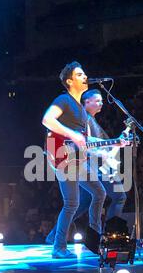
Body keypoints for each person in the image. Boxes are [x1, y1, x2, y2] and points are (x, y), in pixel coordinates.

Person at [46, 89, 127, 244]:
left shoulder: (91, 121)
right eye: (98, 100)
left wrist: (115, 144)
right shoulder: (83, 119)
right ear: (86, 101)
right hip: (84, 164)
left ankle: (91, 238)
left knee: (83, 201)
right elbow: (88, 145)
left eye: (102, 101)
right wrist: (106, 151)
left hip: (86, 164)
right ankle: (107, 237)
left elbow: (97, 144)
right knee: (115, 196)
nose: (101, 103)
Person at [42, 62, 106, 259]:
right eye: (80, 74)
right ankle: (58, 247)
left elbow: (86, 140)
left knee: (99, 192)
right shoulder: (63, 99)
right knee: (71, 203)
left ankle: (94, 239)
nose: (84, 76)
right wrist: (72, 134)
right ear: (70, 81)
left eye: (84, 73)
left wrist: (116, 143)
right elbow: (47, 119)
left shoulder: (81, 109)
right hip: (63, 156)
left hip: (78, 159)